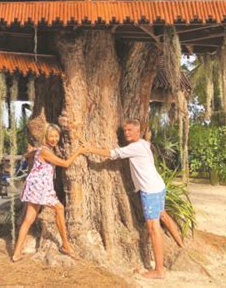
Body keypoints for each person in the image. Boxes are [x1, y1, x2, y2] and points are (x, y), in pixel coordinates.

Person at [81, 118, 184, 279]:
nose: (126, 133)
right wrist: (147, 137)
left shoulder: (134, 147)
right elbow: (147, 141)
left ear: (138, 131)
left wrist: (88, 149)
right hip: (159, 186)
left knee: (153, 228)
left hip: (150, 191)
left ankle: (159, 270)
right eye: (125, 131)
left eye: (130, 130)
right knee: (163, 214)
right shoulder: (144, 143)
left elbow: (112, 154)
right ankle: (181, 245)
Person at [11, 123, 85, 262]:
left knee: (28, 219)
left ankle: (16, 253)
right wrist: (79, 151)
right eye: (51, 136)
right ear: (45, 136)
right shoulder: (45, 151)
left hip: (34, 185)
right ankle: (66, 246)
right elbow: (65, 164)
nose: (54, 139)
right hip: (41, 186)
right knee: (59, 208)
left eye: (56, 136)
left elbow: (29, 154)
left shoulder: (40, 150)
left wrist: (28, 153)